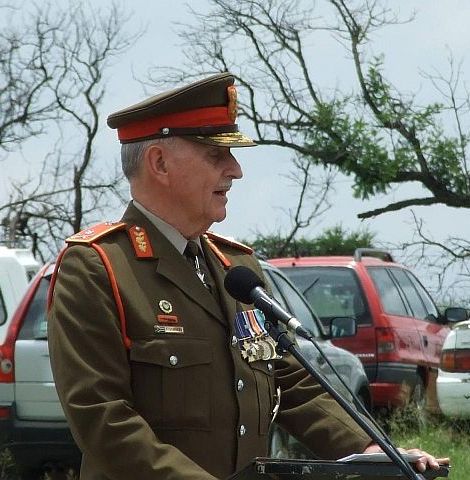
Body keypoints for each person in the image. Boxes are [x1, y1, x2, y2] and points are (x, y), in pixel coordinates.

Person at [48, 72, 446, 480]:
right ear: (159, 162)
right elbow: (103, 418)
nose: (235, 170)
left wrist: (369, 450)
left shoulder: (235, 268)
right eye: (215, 154)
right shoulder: (98, 267)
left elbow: (288, 380)